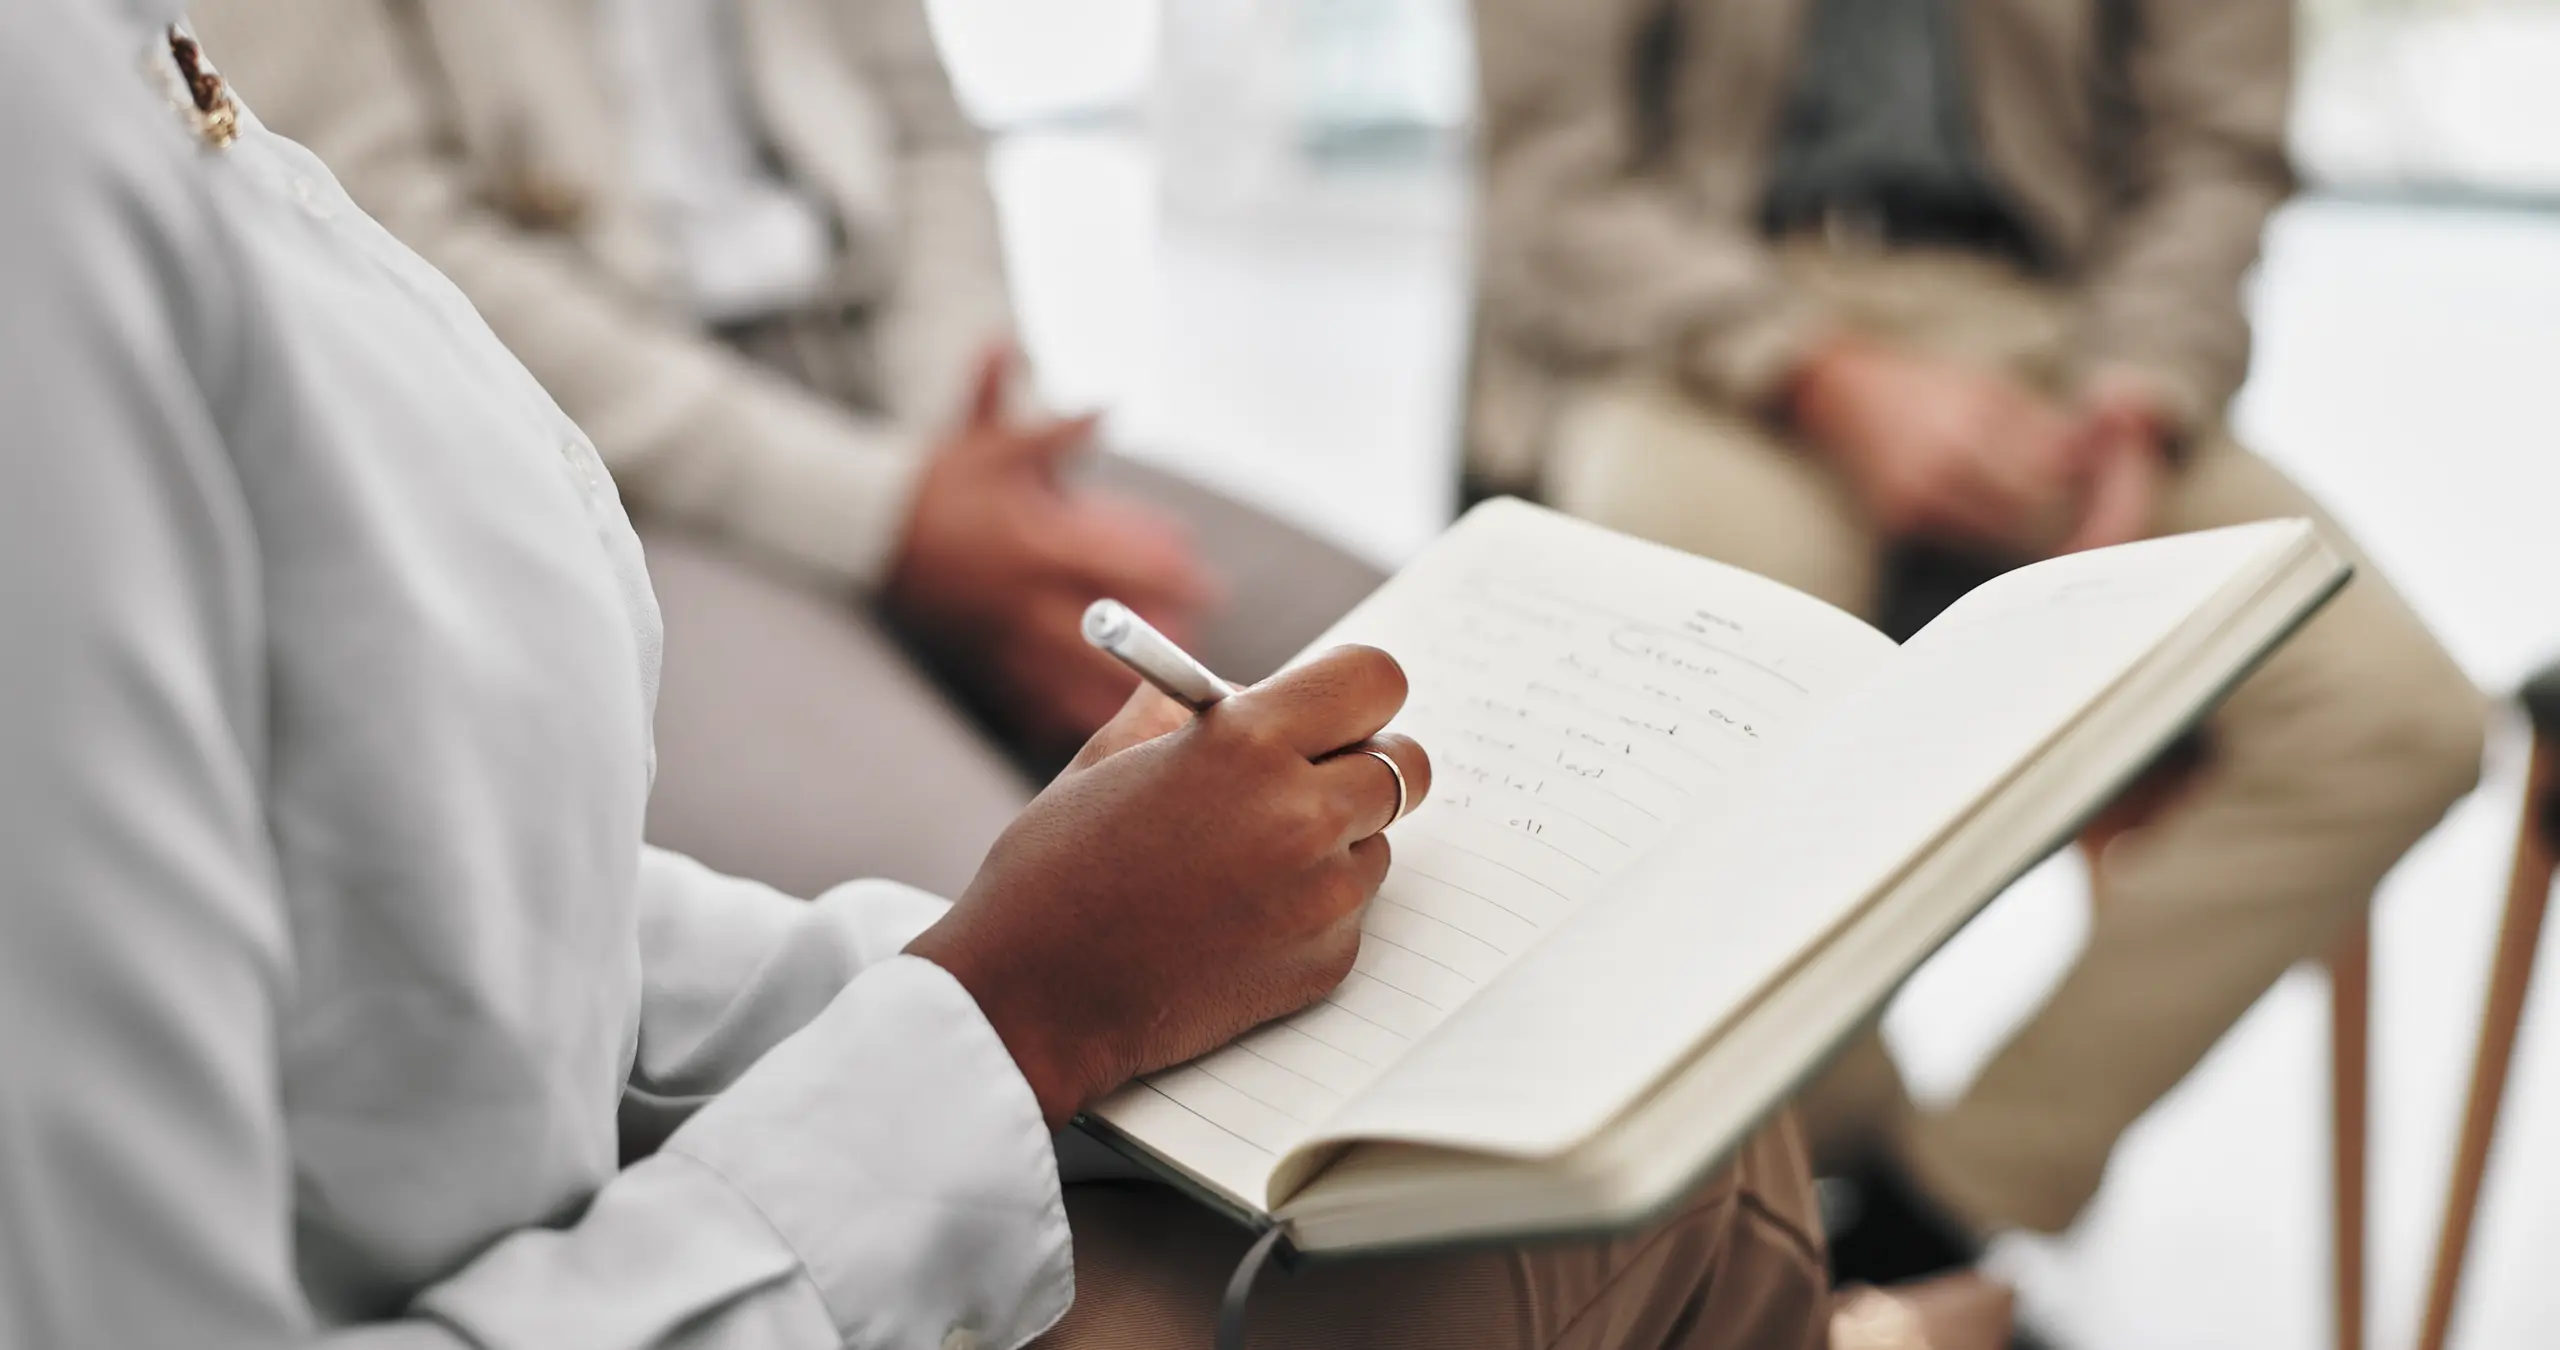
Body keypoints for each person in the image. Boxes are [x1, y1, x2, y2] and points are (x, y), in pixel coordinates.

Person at [0, 4, 1871, 1347]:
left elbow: (471, 927)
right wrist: (1010, 1010)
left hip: (903, 416)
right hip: (694, 466)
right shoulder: (48, 194)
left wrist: (1016, 959)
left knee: (1550, 961)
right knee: (1659, 1181)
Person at [1468, 0, 2486, 1284]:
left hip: (2057, 345)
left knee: (2394, 719)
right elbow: (1556, 177)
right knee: (1717, 677)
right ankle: (1771, 1189)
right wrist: (1813, 367)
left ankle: (1925, 1216)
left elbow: (2212, 154)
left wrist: (2142, 398)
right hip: (1693, 334)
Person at [185, 0, 1387, 902]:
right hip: (592, 463)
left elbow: (925, 128)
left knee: (1415, 671)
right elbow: (369, 224)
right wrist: (886, 520)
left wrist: (961, 468)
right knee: (980, 905)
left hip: (899, 392)